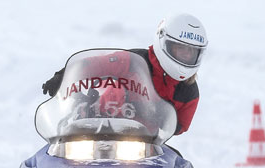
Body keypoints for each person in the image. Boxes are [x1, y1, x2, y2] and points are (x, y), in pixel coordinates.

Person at [42, 13, 207, 135]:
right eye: (180, 48)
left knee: (177, 166)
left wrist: (158, 117)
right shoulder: (134, 61)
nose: (185, 54)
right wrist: (63, 76)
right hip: (95, 124)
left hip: (141, 140)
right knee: (60, 155)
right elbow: (95, 65)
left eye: (190, 51)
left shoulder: (189, 91)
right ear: (164, 41)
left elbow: (179, 127)